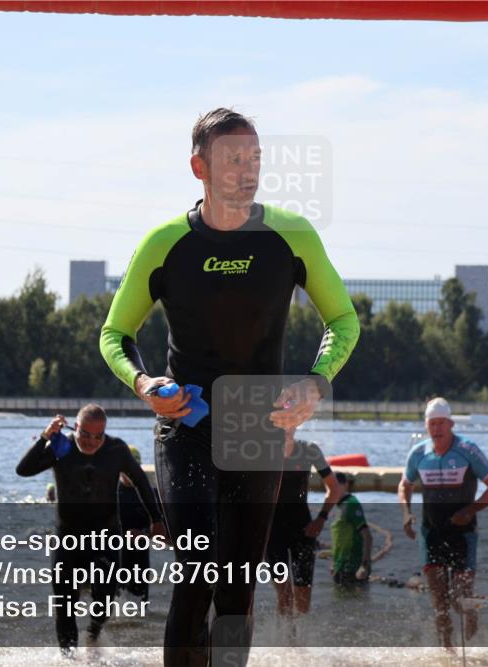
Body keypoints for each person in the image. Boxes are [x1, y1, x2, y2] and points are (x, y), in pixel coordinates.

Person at [99, 108, 359, 667]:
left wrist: (316, 382)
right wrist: (144, 381)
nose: (248, 170)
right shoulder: (165, 242)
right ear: (199, 167)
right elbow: (115, 333)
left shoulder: (290, 235)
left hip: (258, 432)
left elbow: (344, 321)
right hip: (186, 429)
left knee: (238, 593)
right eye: (233, 159)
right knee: (197, 573)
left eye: (255, 159)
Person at [16, 404, 165, 654]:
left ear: (105, 432)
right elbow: (23, 470)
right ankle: (69, 659)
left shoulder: (116, 450)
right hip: (68, 539)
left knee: (105, 599)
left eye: (98, 435)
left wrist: (157, 520)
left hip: (105, 537)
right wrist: (44, 437)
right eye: (85, 434)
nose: (91, 441)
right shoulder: (60, 449)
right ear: (76, 427)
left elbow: (140, 481)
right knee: (65, 607)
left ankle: (93, 632)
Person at [399, 397, 488, 651]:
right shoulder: (419, 453)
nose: (436, 429)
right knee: (439, 601)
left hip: (463, 532)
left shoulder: (467, 450)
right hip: (431, 532)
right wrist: (405, 512)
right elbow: (404, 485)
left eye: (441, 424)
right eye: (431, 424)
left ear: (451, 424)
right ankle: (448, 653)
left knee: (459, 597)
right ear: (426, 426)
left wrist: (471, 510)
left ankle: (470, 613)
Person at [267, 429, 341, 619]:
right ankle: (284, 643)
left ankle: (300, 645)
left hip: (303, 528)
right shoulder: (262, 450)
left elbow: (334, 488)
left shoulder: (309, 450)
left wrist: (321, 519)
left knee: (303, 599)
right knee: (284, 596)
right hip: (272, 531)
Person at [117, 446, 156, 602]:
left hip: (140, 556)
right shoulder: (109, 491)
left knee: (140, 607)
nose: (130, 475)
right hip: (115, 555)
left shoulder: (149, 493)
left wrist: (144, 534)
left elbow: (163, 529)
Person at [330, 472, 372, 589]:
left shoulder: (351, 504)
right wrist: (333, 562)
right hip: (340, 566)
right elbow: (339, 539)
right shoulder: (339, 506)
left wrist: (364, 565)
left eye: (333, 485)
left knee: (354, 602)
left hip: (352, 568)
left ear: (344, 485)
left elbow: (367, 536)